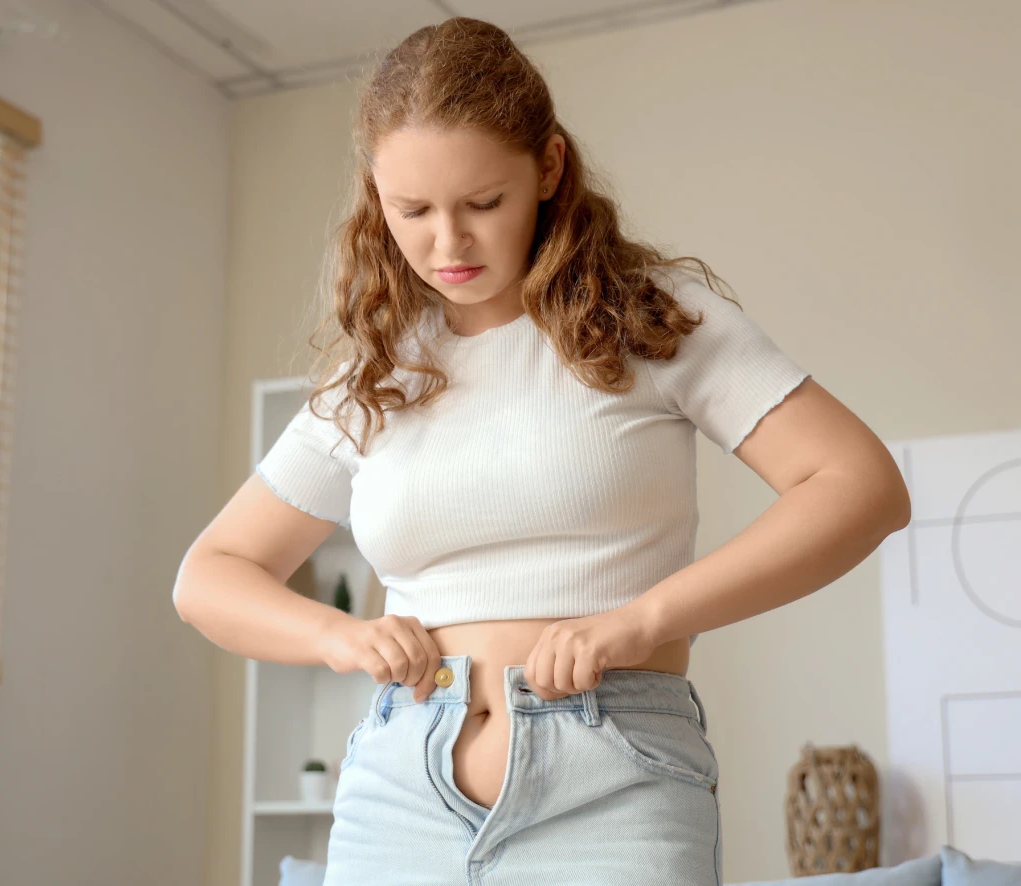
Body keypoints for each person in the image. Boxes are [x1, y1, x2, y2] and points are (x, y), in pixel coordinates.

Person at [172, 17, 911, 886]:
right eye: (412, 211)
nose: (447, 245)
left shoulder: (649, 320)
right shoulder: (375, 375)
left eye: (483, 203)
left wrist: (642, 621)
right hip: (398, 789)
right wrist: (340, 638)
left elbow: (861, 487)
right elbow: (209, 576)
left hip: (618, 786)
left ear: (549, 169)